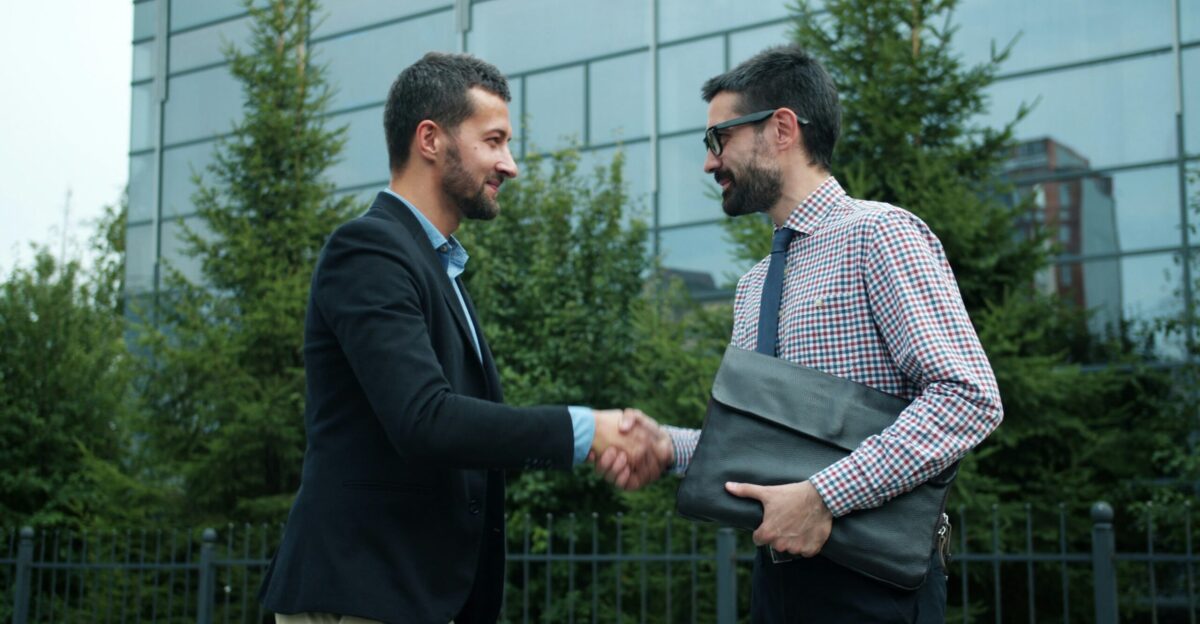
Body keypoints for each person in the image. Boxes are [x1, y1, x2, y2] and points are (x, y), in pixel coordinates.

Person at [258, 52, 672, 624]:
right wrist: (590, 431)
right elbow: (425, 420)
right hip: (360, 598)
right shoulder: (369, 250)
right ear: (430, 139)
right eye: (494, 140)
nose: (510, 165)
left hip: (415, 600)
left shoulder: (437, 268)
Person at [597, 45, 1003, 622]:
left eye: (719, 139)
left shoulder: (881, 235)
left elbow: (967, 398)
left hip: (874, 587)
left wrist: (823, 497)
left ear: (782, 128)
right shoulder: (755, 284)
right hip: (779, 581)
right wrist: (669, 449)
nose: (710, 163)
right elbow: (761, 442)